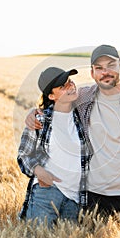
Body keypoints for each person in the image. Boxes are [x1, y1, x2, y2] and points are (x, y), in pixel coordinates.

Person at [25, 45, 120, 219]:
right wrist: (34, 112)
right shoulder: (82, 97)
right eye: (99, 68)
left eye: (111, 65)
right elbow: (57, 101)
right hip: (90, 199)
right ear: (92, 73)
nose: (106, 72)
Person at [17, 67, 93, 227]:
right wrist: (39, 172)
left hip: (75, 198)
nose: (70, 86)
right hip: (47, 192)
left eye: (70, 82)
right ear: (51, 96)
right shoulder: (40, 119)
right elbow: (24, 155)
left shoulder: (83, 115)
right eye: (63, 86)